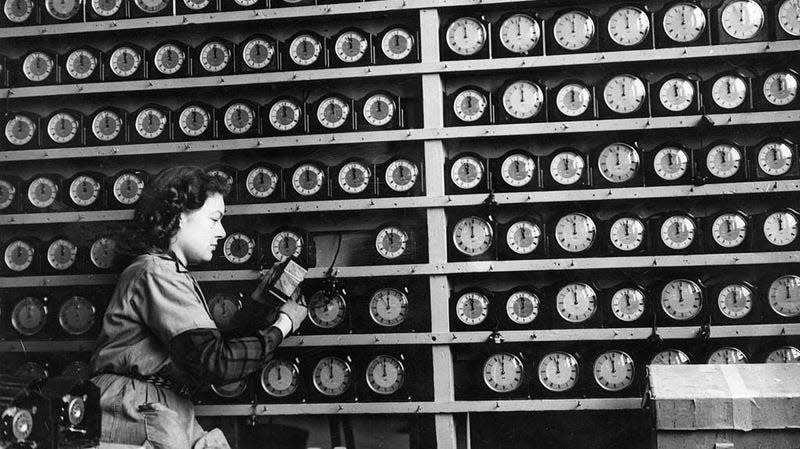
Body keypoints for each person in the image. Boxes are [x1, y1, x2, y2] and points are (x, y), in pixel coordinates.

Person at [90, 166, 308, 449]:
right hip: (137, 407)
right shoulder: (155, 271)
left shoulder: (164, 271)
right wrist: (285, 325)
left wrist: (260, 304)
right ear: (179, 217)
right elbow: (217, 362)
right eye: (215, 219)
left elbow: (206, 348)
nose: (222, 232)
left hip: (154, 403)